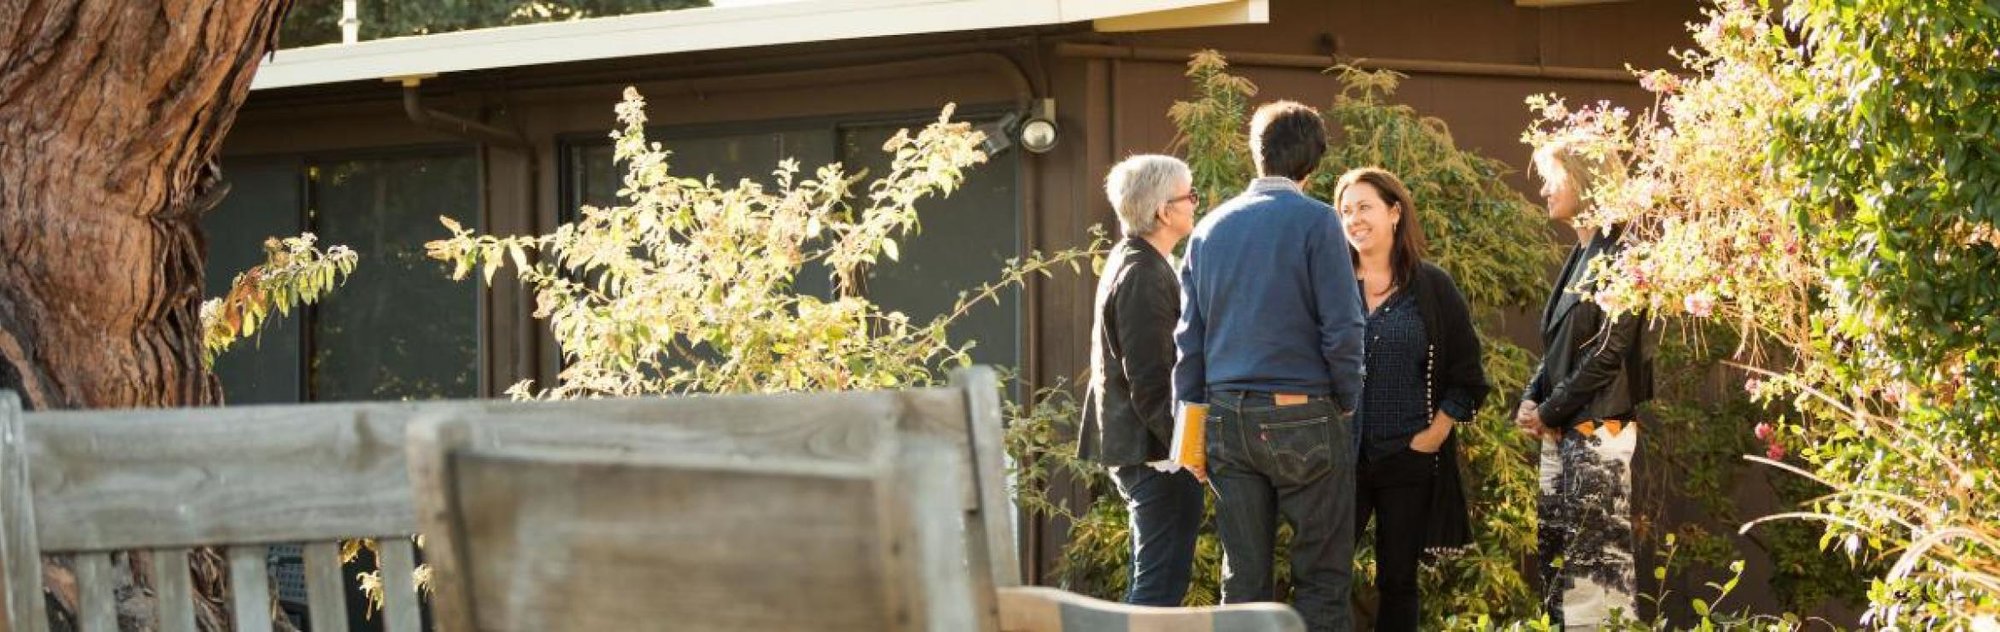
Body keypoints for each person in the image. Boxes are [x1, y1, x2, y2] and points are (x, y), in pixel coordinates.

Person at [1173, 101, 1365, 632]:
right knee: (1322, 579)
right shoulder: (1319, 221)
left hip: (1225, 419)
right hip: (1302, 410)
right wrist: (1345, 402)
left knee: (1244, 581)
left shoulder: (1209, 228)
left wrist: (1190, 428)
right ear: (1315, 161)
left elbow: (1188, 340)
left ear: (1256, 154)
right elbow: (1344, 327)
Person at [1333, 167, 1489, 631]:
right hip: (1342, 459)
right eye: (1345, 211)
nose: (1354, 219)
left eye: (1365, 207)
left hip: (1408, 456)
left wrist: (1434, 434)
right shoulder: (1333, 286)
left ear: (1395, 212)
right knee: (1324, 574)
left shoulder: (1433, 287)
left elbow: (1468, 376)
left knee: (1399, 581)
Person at [1517, 138, 1653, 630]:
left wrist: (1548, 410)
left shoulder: (1623, 252)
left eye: (1553, 176)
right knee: (1562, 575)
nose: (1546, 189)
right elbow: (1560, 349)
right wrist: (1533, 398)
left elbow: (1608, 351)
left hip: (1599, 430)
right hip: (1566, 431)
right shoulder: (1581, 253)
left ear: (1581, 177)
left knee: (1598, 575)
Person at [1078, 154, 1205, 606]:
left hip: (1150, 450)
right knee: (1157, 590)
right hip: (1157, 456)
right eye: (1189, 195)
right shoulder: (1143, 273)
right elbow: (1151, 380)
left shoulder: (1138, 261)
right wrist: (1186, 451)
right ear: (1162, 211)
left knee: (1154, 583)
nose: (1195, 202)